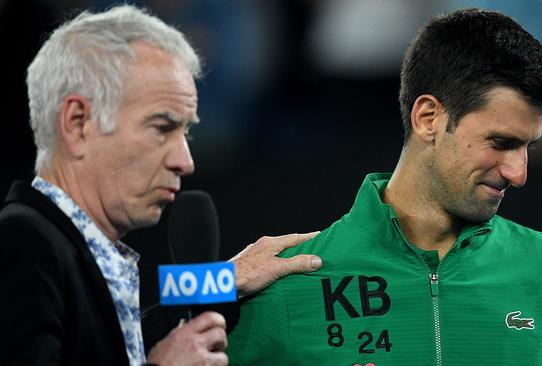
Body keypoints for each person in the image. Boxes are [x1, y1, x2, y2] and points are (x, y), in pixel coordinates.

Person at [227, 8, 542, 365]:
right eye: (501, 143)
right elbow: (165, 337)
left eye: (528, 147)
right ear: (428, 118)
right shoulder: (287, 281)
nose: (518, 174)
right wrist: (211, 281)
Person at [0, 5, 322, 366]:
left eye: (186, 132)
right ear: (77, 124)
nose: (185, 161)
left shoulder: (61, 247)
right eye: (162, 128)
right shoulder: (24, 242)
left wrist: (223, 279)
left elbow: (123, 350)